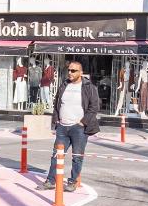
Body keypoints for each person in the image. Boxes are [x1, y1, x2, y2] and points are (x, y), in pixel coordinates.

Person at [38, 59, 101, 193]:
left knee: (77, 157)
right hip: (62, 127)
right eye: (69, 70)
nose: (70, 73)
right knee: (56, 155)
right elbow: (56, 104)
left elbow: (94, 107)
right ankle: (50, 181)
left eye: (73, 71)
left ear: (81, 72)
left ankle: (72, 182)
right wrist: (57, 120)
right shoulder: (64, 85)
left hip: (79, 128)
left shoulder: (89, 87)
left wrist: (83, 122)